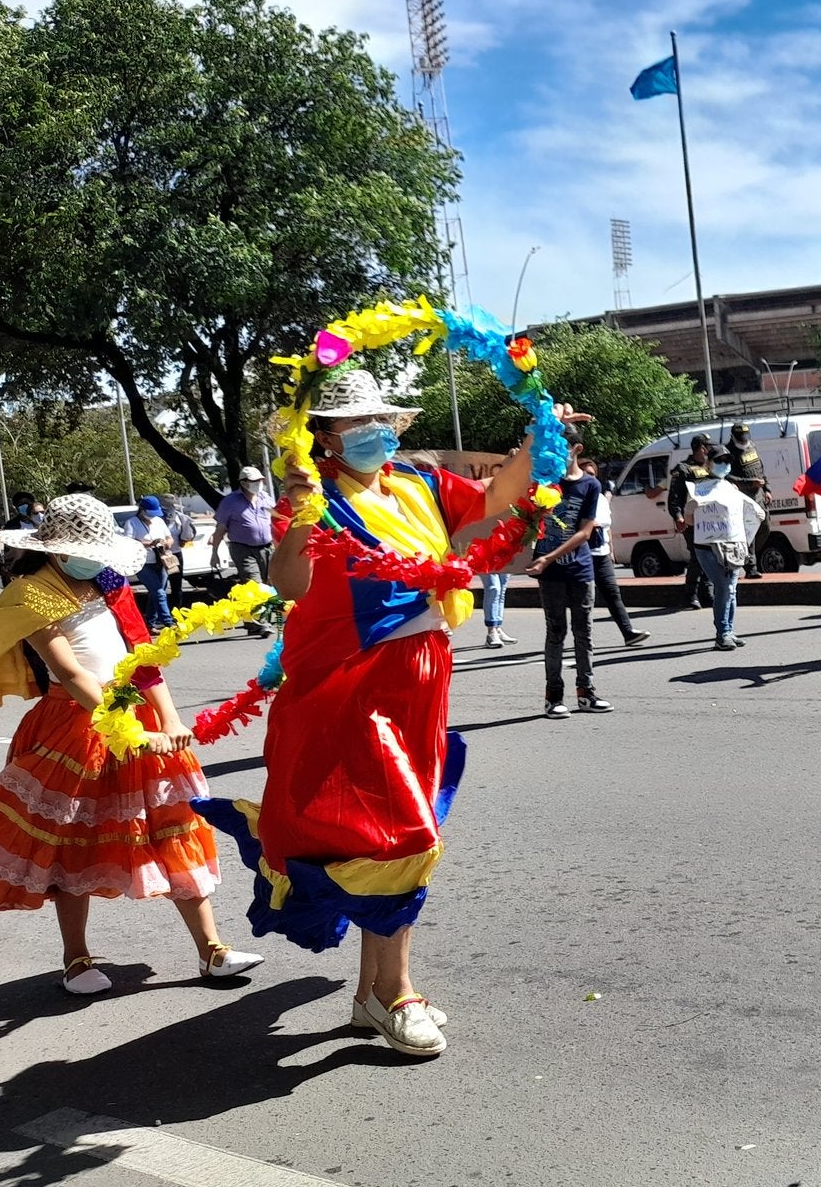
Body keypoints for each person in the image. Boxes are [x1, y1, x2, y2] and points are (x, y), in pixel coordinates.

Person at [217, 367, 588, 1056]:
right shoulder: (313, 495)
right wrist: (298, 516)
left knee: (388, 833)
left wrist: (541, 431)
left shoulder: (418, 483)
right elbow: (290, 584)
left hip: (421, 674)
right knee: (405, 835)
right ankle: (397, 993)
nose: (373, 432)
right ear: (321, 435)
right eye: (354, 423)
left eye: (379, 419)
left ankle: (369, 995)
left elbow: (496, 497)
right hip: (347, 682)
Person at [0, 495, 260, 993]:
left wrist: (170, 720)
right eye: (79, 548)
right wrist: (128, 729)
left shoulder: (109, 580)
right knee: (72, 843)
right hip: (74, 726)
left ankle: (212, 951)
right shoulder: (31, 591)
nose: (90, 558)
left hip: (136, 717)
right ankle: (77, 959)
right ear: (53, 549)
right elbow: (70, 673)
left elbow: (144, 657)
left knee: (174, 826)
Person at [528, 432, 610, 719]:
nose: (557, 452)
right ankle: (553, 697)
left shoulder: (590, 485)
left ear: (577, 449)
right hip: (549, 573)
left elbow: (585, 532)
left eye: (563, 447)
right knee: (556, 632)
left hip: (579, 568)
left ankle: (586, 692)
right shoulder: (543, 482)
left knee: (583, 632)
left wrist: (548, 557)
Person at [687, 451, 764, 650]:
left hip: (733, 545)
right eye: (719, 461)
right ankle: (722, 634)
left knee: (731, 590)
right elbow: (688, 519)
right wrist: (693, 507)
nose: (724, 464)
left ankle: (728, 630)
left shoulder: (731, 488)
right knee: (724, 588)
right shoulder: (699, 488)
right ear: (709, 463)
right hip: (707, 547)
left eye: (727, 461)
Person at [578, 457, 649, 649]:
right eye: (585, 474)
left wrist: (612, 550)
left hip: (602, 552)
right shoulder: (575, 497)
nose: (589, 478)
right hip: (583, 553)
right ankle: (583, 637)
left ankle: (628, 632)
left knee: (612, 593)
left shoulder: (600, 498)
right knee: (585, 598)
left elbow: (607, 526)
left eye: (592, 475)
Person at [211, 467, 277, 637]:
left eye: (260, 481)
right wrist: (215, 553)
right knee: (254, 585)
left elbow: (277, 522)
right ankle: (263, 623)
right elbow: (220, 528)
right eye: (254, 481)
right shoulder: (230, 502)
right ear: (243, 483)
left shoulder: (265, 498)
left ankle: (251, 621)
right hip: (243, 548)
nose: (258, 484)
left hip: (267, 547)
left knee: (267, 585)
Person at [666, 435, 717, 612]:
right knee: (698, 556)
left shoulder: (711, 467)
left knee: (711, 556)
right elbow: (674, 497)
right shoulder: (683, 469)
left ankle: (707, 593)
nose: (710, 450)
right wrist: (678, 516)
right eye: (708, 447)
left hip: (710, 519)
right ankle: (690, 595)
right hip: (692, 520)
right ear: (702, 448)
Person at [721, 423, 772, 578]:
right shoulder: (728, 452)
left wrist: (767, 489)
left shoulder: (752, 446)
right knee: (748, 530)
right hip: (742, 496)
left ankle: (748, 555)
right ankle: (751, 567)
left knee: (765, 526)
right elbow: (727, 476)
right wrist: (749, 483)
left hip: (758, 496)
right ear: (733, 436)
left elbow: (760, 469)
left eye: (745, 437)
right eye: (740, 438)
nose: (743, 441)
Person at [126, 493, 176, 629]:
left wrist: (166, 543)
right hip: (143, 563)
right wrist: (149, 544)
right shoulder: (132, 523)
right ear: (142, 510)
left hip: (161, 561)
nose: (152, 516)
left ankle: (149, 623)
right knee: (159, 592)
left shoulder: (159, 521)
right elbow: (129, 542)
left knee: (156, 593)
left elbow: (169, 537)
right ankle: (168, 622)